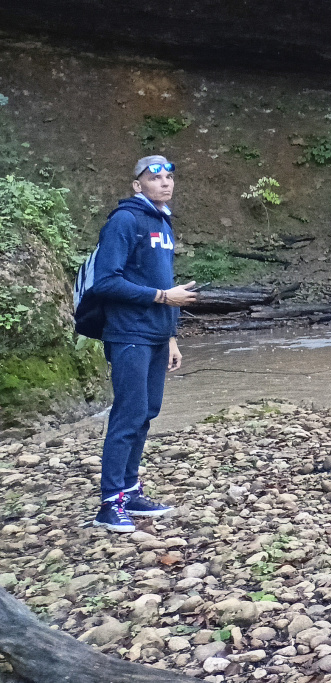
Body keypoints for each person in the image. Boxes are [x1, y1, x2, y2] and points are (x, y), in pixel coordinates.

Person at [85, 157, 199, 532]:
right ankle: (110, 502)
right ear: (138, 185)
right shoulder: (125, 221)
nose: (165, 183)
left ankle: (130, 491)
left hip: (155, 335)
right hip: (128, 333)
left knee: (147, 413)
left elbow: (163, 279)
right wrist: (163, 297)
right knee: (128, 414)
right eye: (155, 178)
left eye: (169, 177)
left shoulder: (162, 222)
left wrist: (171, 337)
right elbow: (105, 282)